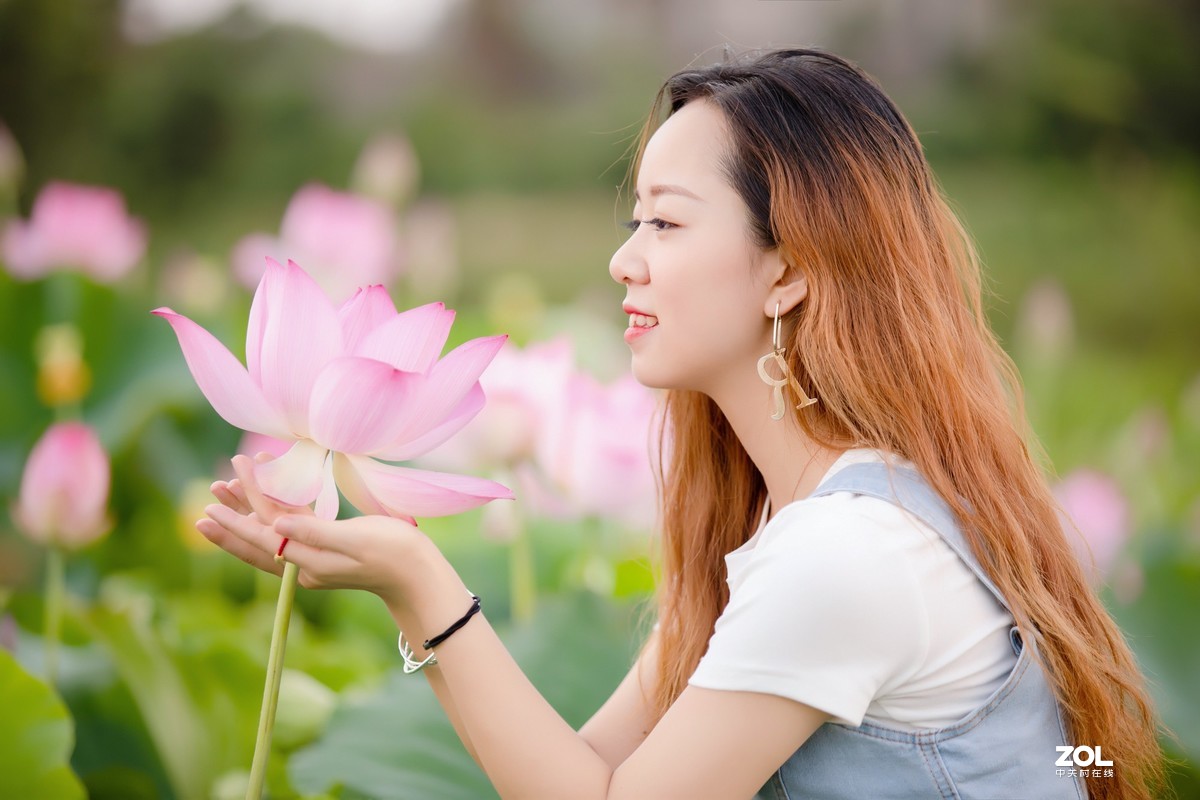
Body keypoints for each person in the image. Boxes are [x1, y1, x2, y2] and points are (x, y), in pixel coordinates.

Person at [197, 48, 1167, 799]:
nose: (624, 261)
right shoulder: (792, 521)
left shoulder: (849, 554)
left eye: (665, 222)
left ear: (790, 268)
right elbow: (579, 775)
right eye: (635, 222)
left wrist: (418, 577)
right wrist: (409, 579)